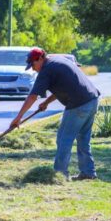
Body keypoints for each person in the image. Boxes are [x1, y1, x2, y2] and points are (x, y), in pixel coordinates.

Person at [10, 47, 100, 181]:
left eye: (33, 65)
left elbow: (32, 96)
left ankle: (59, 174)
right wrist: (47, 102)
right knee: (83, 139)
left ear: (40, 58)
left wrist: (18, 118)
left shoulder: (46, 70)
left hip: (78, 105)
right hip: (92, 100)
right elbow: (65, 85)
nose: (33, 69)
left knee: (64, 139)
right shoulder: (57, 61)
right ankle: (88, 172)